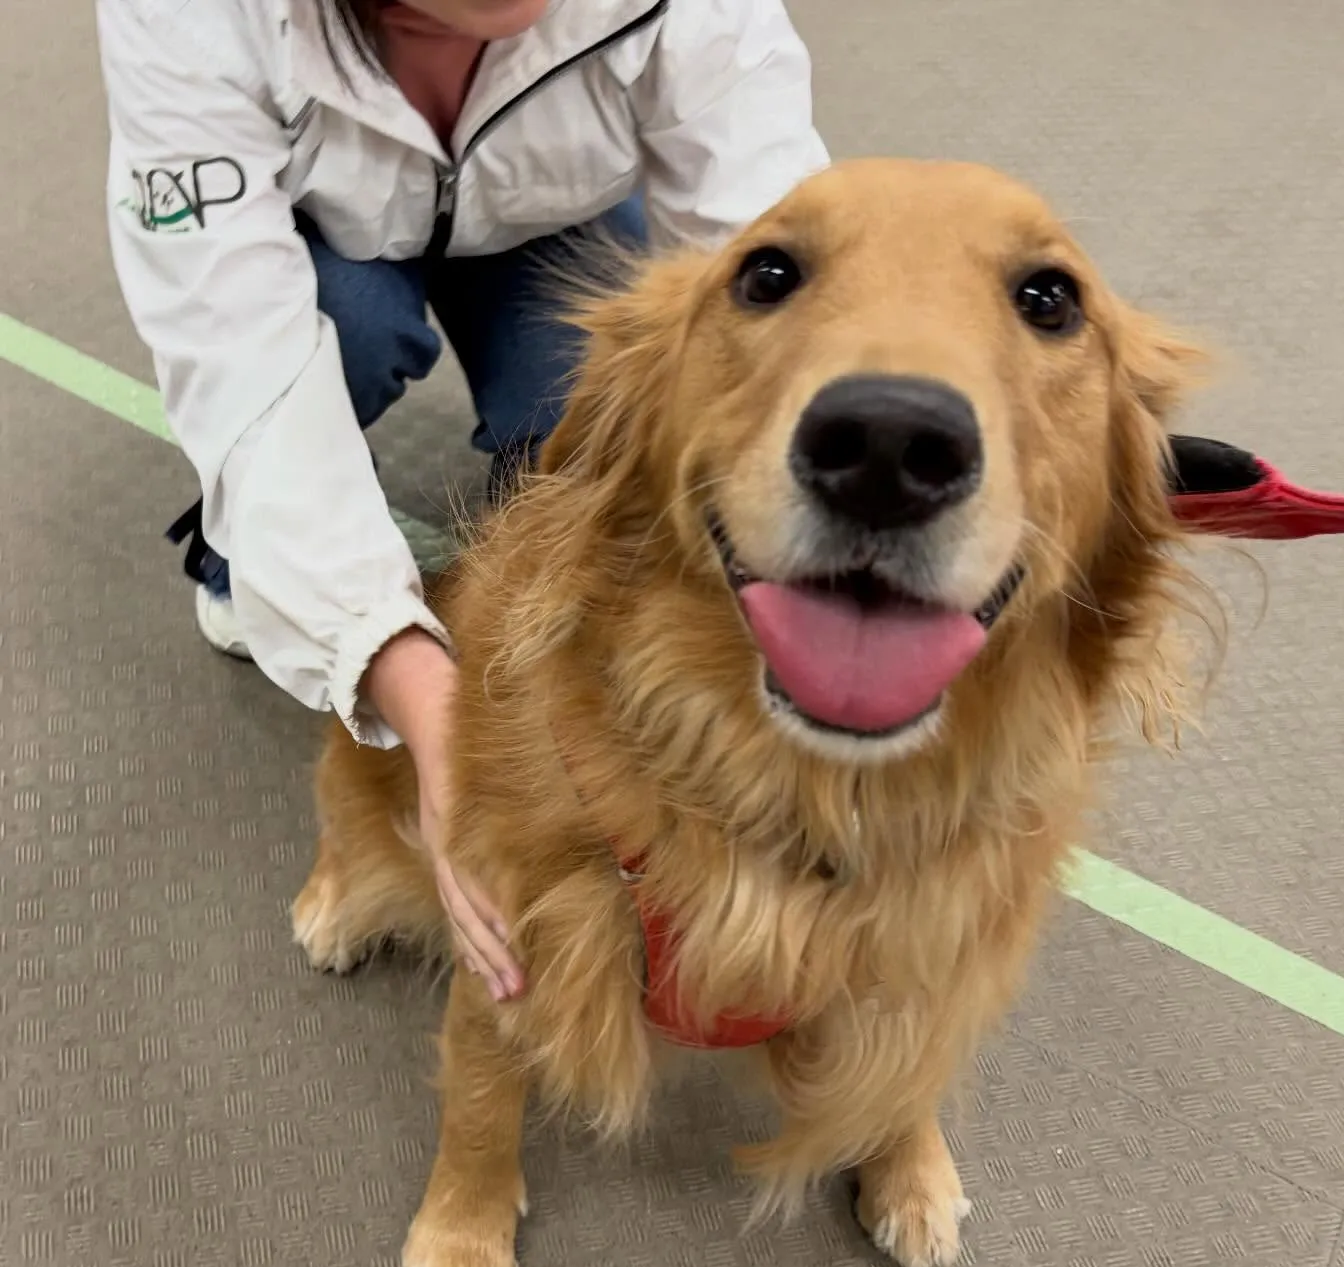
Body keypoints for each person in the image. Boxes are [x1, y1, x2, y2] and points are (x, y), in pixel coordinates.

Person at [97, 0, 829, 1002]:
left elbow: (772, 278)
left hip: (549, 217)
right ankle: (236, 569)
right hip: (328, 234)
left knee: (594, 410)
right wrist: (428, 711)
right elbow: (239, 363)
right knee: (343, 332)